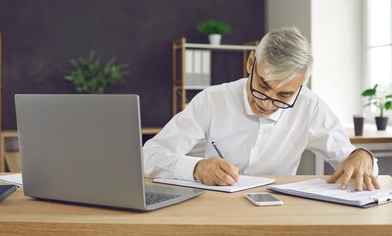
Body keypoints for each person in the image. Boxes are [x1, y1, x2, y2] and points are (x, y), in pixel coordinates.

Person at [143, 26, 380, 191]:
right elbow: (148, 157)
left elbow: (355, 163)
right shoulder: (212, 100)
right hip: (213, 209)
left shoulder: (309, 106)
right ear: (250, 62)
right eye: (262, 86)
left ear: (301, 86)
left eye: (284, 95)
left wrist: (362, 156)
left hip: (276, 213)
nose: (266, 102)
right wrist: (196, 168)